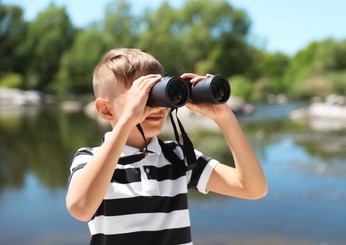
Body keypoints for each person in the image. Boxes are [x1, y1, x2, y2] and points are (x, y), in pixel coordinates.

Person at [66, 48, 268, 245]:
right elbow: (81, 208)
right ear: (105, 110)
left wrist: (225, 118)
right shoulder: (90, 159)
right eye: (142, 96)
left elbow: (253, 188)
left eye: (159, 93)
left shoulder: (177, 157)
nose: (157, 105)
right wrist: (127, 120)